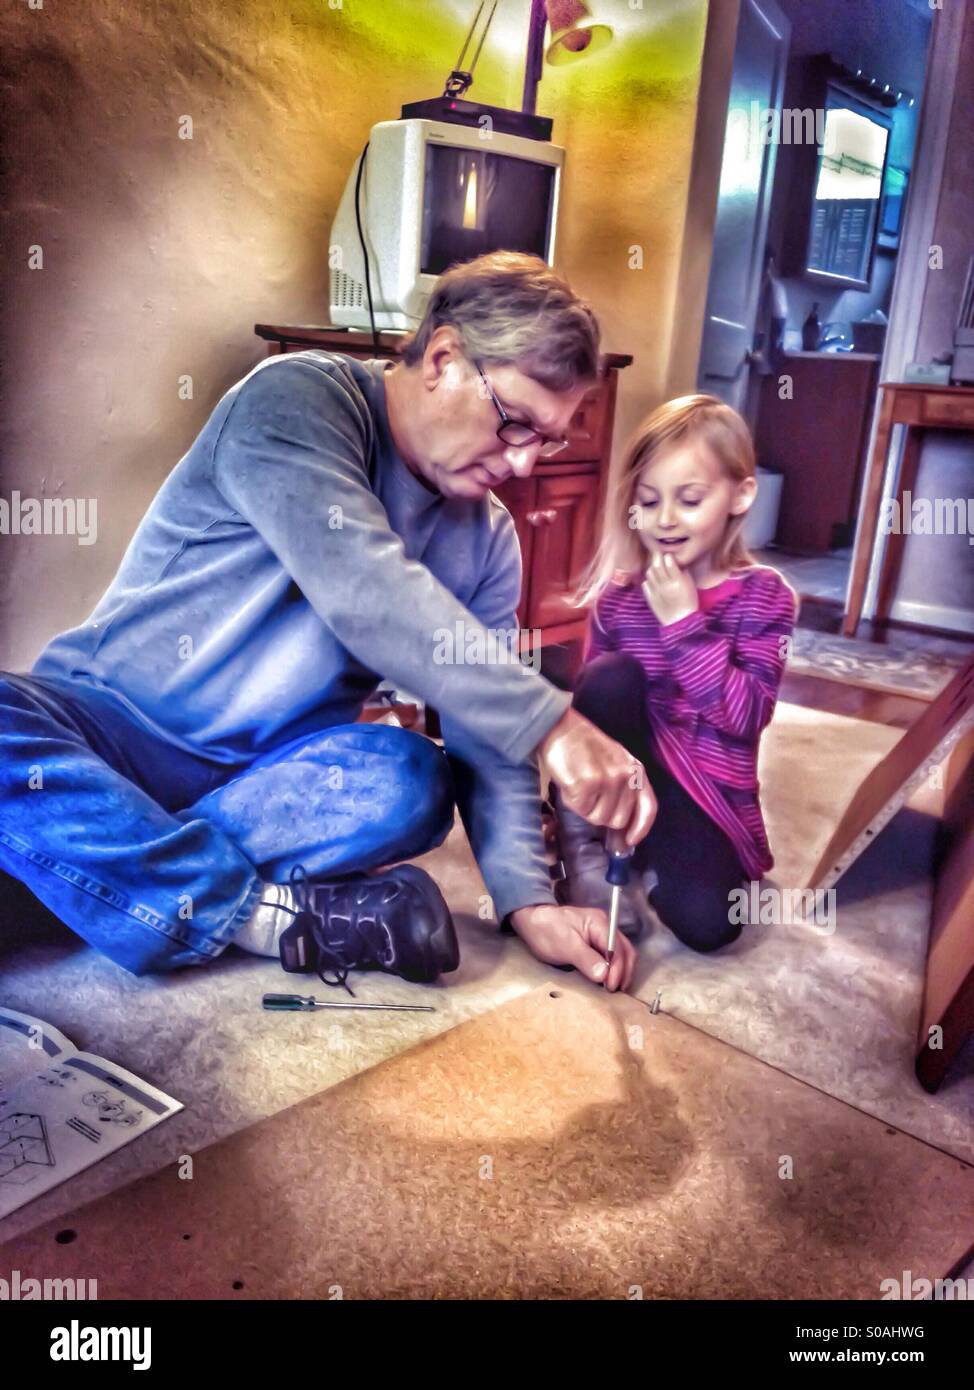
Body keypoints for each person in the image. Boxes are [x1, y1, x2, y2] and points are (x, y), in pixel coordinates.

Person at [0, 252, 655, 993]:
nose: (526, 462)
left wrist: (529, 904)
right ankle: (263, 917)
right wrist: (555, 726)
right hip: (107, 729)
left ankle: (85, 861)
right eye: (515, 423)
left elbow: (483, 738)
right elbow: (366, 590)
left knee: (412, 775)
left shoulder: (490, 540)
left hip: (265, 782)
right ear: (443, 358)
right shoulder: (295, 400)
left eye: (551, 439)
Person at [551, 394, 797, 952]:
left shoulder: (765, 599)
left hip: (705, 791)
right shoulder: (619, 597)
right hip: (630, 770)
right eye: (649, 500)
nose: (665, 520)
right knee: (607, 678)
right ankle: (584, 845)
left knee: (712, 925)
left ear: (740, 495)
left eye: (689, 500)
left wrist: (684, 622)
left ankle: (654, 856)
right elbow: (593, 715)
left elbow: (746, 717)